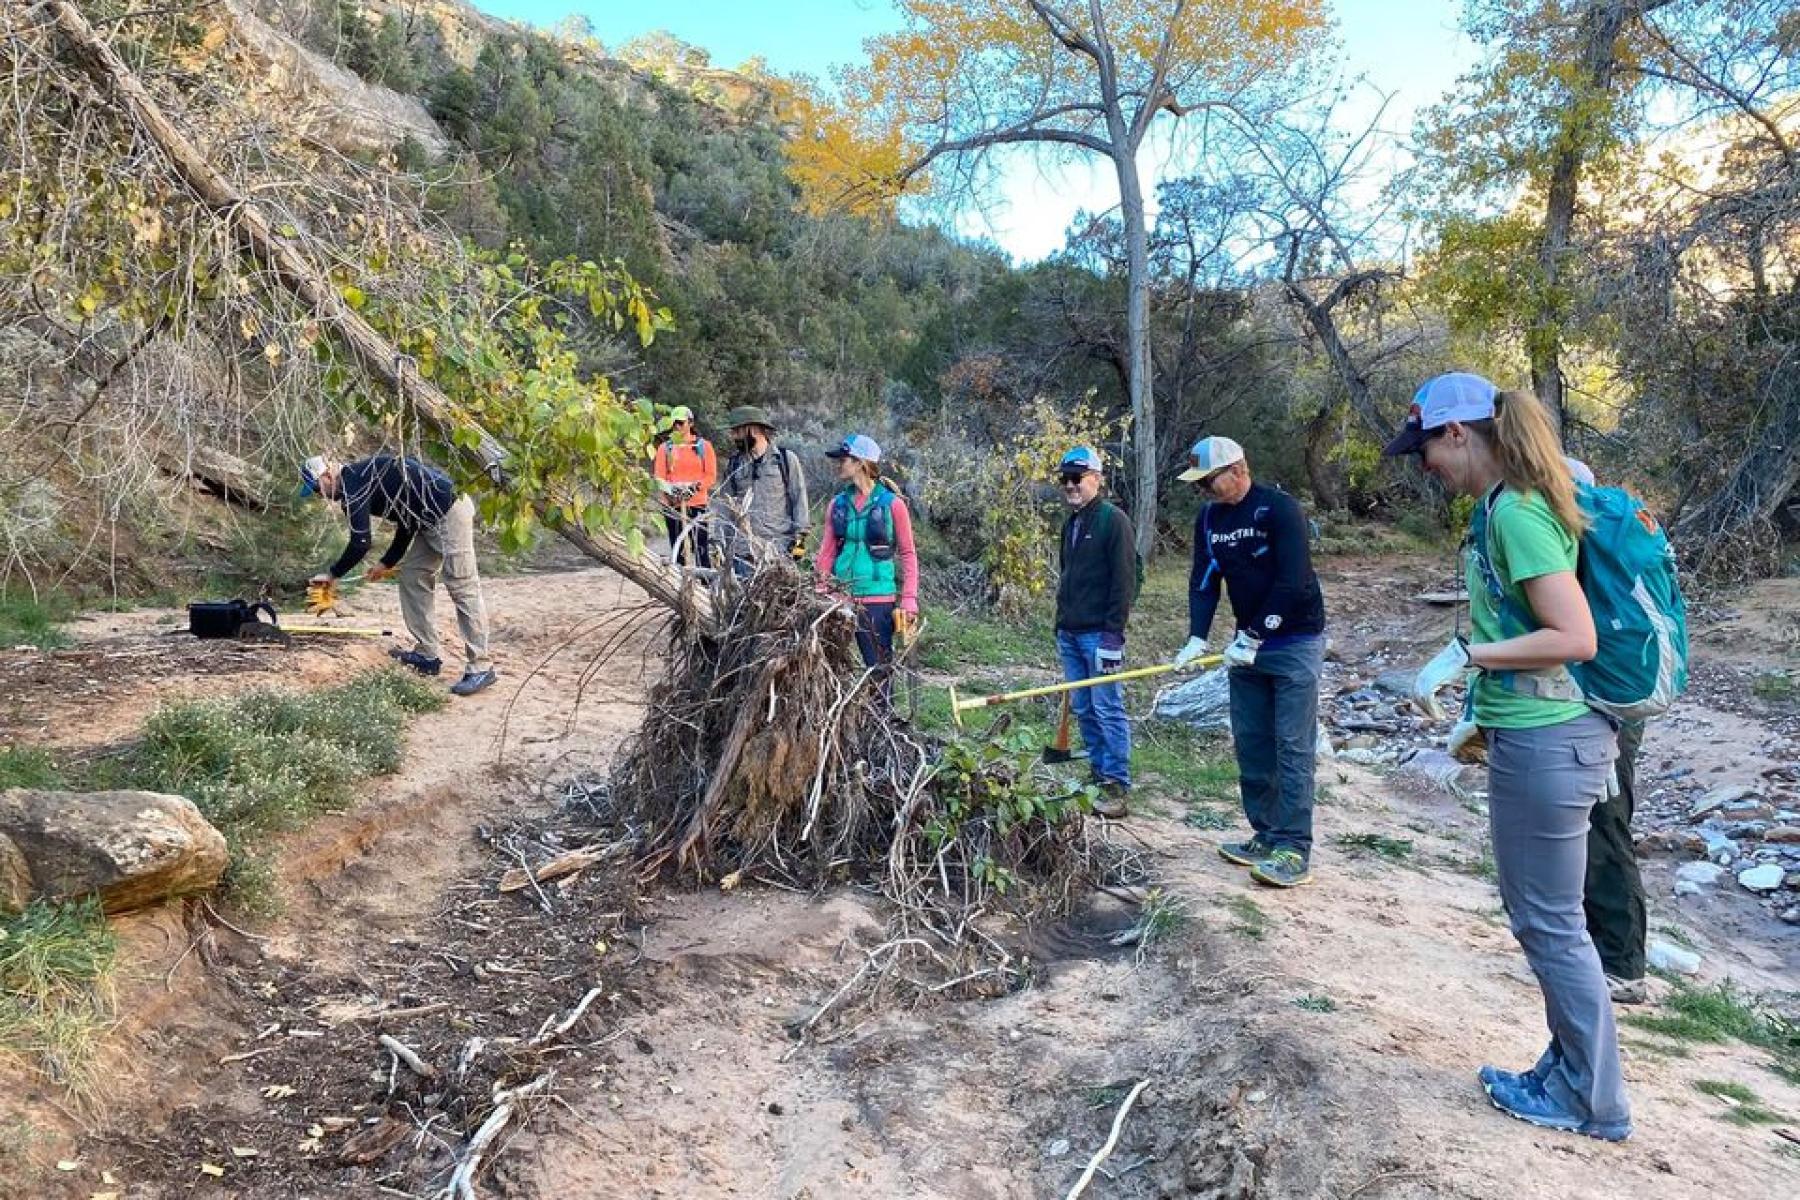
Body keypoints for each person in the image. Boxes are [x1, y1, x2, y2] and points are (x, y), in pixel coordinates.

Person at [1387, 372, 1630, 1142]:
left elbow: (1573, 637)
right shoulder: (1507, 506)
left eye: (1426, 447)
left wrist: (1468, 654)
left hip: (1550, 741)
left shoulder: (1518, 512)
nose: (1424, 465)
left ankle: (1593, 1100)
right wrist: (1477, 715)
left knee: (1550, 925)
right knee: (1547, 920)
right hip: (1539, 733)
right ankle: (1565, 1073)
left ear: (1458, 434)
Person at [1174, 436, 1327, 889]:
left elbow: (1294, 579)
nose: (1204, 491)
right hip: (1246, 648)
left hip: (1294, 641)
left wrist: (1257, 633)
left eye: (1209, 481)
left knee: (1292, 745)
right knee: (1253, 741)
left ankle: (1293, 847)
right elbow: (1204, 580)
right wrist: (1197, 637)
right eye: (1198, 484)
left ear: (1238, 469)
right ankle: (1264, 832)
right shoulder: (1209, 519)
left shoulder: (1279, 510)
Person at [301, 452, 496, 697]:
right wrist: (387, 562)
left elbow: (360, 542)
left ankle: (481, 666)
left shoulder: (354, 486)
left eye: (318, 489)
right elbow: (407, 516)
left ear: (327, 475)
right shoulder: (363, 476)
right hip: (426, 520)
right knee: (413, 576)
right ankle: (427, 655)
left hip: (449, 511)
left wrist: (332, 574)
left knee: (462, 586)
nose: (322, 496)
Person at [1564, 455, 1648, 1005]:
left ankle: (1622, 964)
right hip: (1613, 694)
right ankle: (1598, 948)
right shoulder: (1610, 540)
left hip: (1603, 699)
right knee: (1594, 820)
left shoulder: (1586, 543)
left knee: (1604, 822)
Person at [1053, 446, 1136, 818]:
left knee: (1107, 706)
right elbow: (1067, 576)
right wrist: (1060, 623)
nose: (1070, 485)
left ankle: (1116, 782)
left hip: (1098, 634)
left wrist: (1113, 636)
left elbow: (1124, 581)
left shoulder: (1112, 521)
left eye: (1078, 478)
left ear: (1096, 479)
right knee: (1084, 707)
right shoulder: (1071, 524)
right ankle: (1099, 772)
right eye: (1065, 479)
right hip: (1069, 632)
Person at [813, 434, 920, 684]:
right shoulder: (837, 505)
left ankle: (882, 721)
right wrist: (821, 589)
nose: (839, 464)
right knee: (831, 672)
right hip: (840, 599)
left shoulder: (892, 505)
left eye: (844, 459)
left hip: (877, 599)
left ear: (860, 462)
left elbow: (908, 554)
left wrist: (909, 599)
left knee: (878, 670)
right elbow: (827, 552)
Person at [715, 405, 809, 574]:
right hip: (742, 554)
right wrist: (717, 542)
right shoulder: (734, 464)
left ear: (753, 429)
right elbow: (724, 508)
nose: (733, 436)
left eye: (737, 431)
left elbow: (799, 502)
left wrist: (798, 548)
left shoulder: (786, 460)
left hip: (778, 553)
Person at [653, 406, 717, 567]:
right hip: (673, 507)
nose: (677, 427)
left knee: (701, 548)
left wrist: (695, 487)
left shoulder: (704, 446)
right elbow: (659, 478)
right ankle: (680, 586)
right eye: (674, 423)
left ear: (690, 423)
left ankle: (705, 586)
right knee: (678, 549)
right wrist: (672, 491)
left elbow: (710, 476)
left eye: (681, 423)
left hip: (697, 505)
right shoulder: (665, 448)